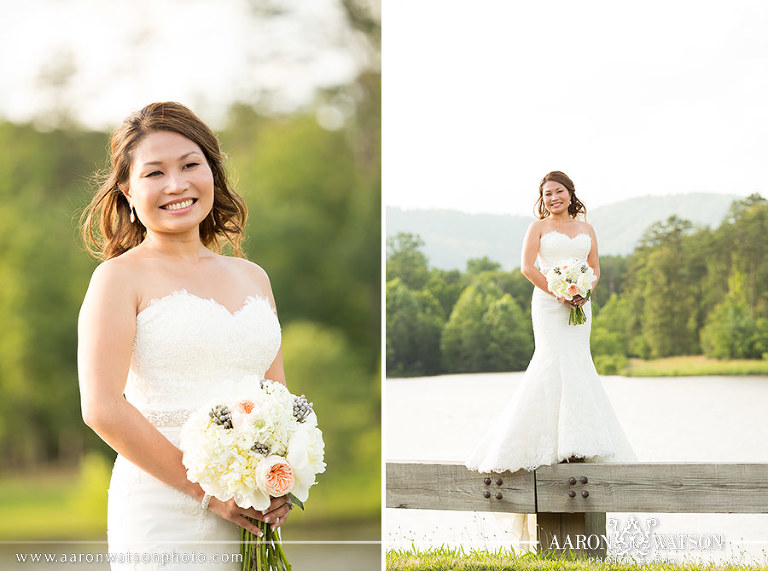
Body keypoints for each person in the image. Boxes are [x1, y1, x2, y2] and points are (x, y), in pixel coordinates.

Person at [78, 102, 292, 570]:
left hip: (250, 506)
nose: (176, 185)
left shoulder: (254, 277)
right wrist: (207, 492)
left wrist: (279, 478)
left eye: (190, 165)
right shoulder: (118, 279)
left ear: (212, 173)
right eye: (154, 173)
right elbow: (102, 407)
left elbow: (278, 398)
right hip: (163, 507)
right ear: (128, 191)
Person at [465, 171, 635, 547]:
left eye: (558, 191)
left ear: (570, 194)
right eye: (547, 193)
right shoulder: (537, 228)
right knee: (550, 361)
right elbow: (528, 267)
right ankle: (541, 439)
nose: (553, 197)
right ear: (541, 199)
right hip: (547, 302)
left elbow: (596, 268)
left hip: (580, 306)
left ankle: (579, 438)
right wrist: (558, 290)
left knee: (577, 362)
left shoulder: (588, 228)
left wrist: (581, 291)